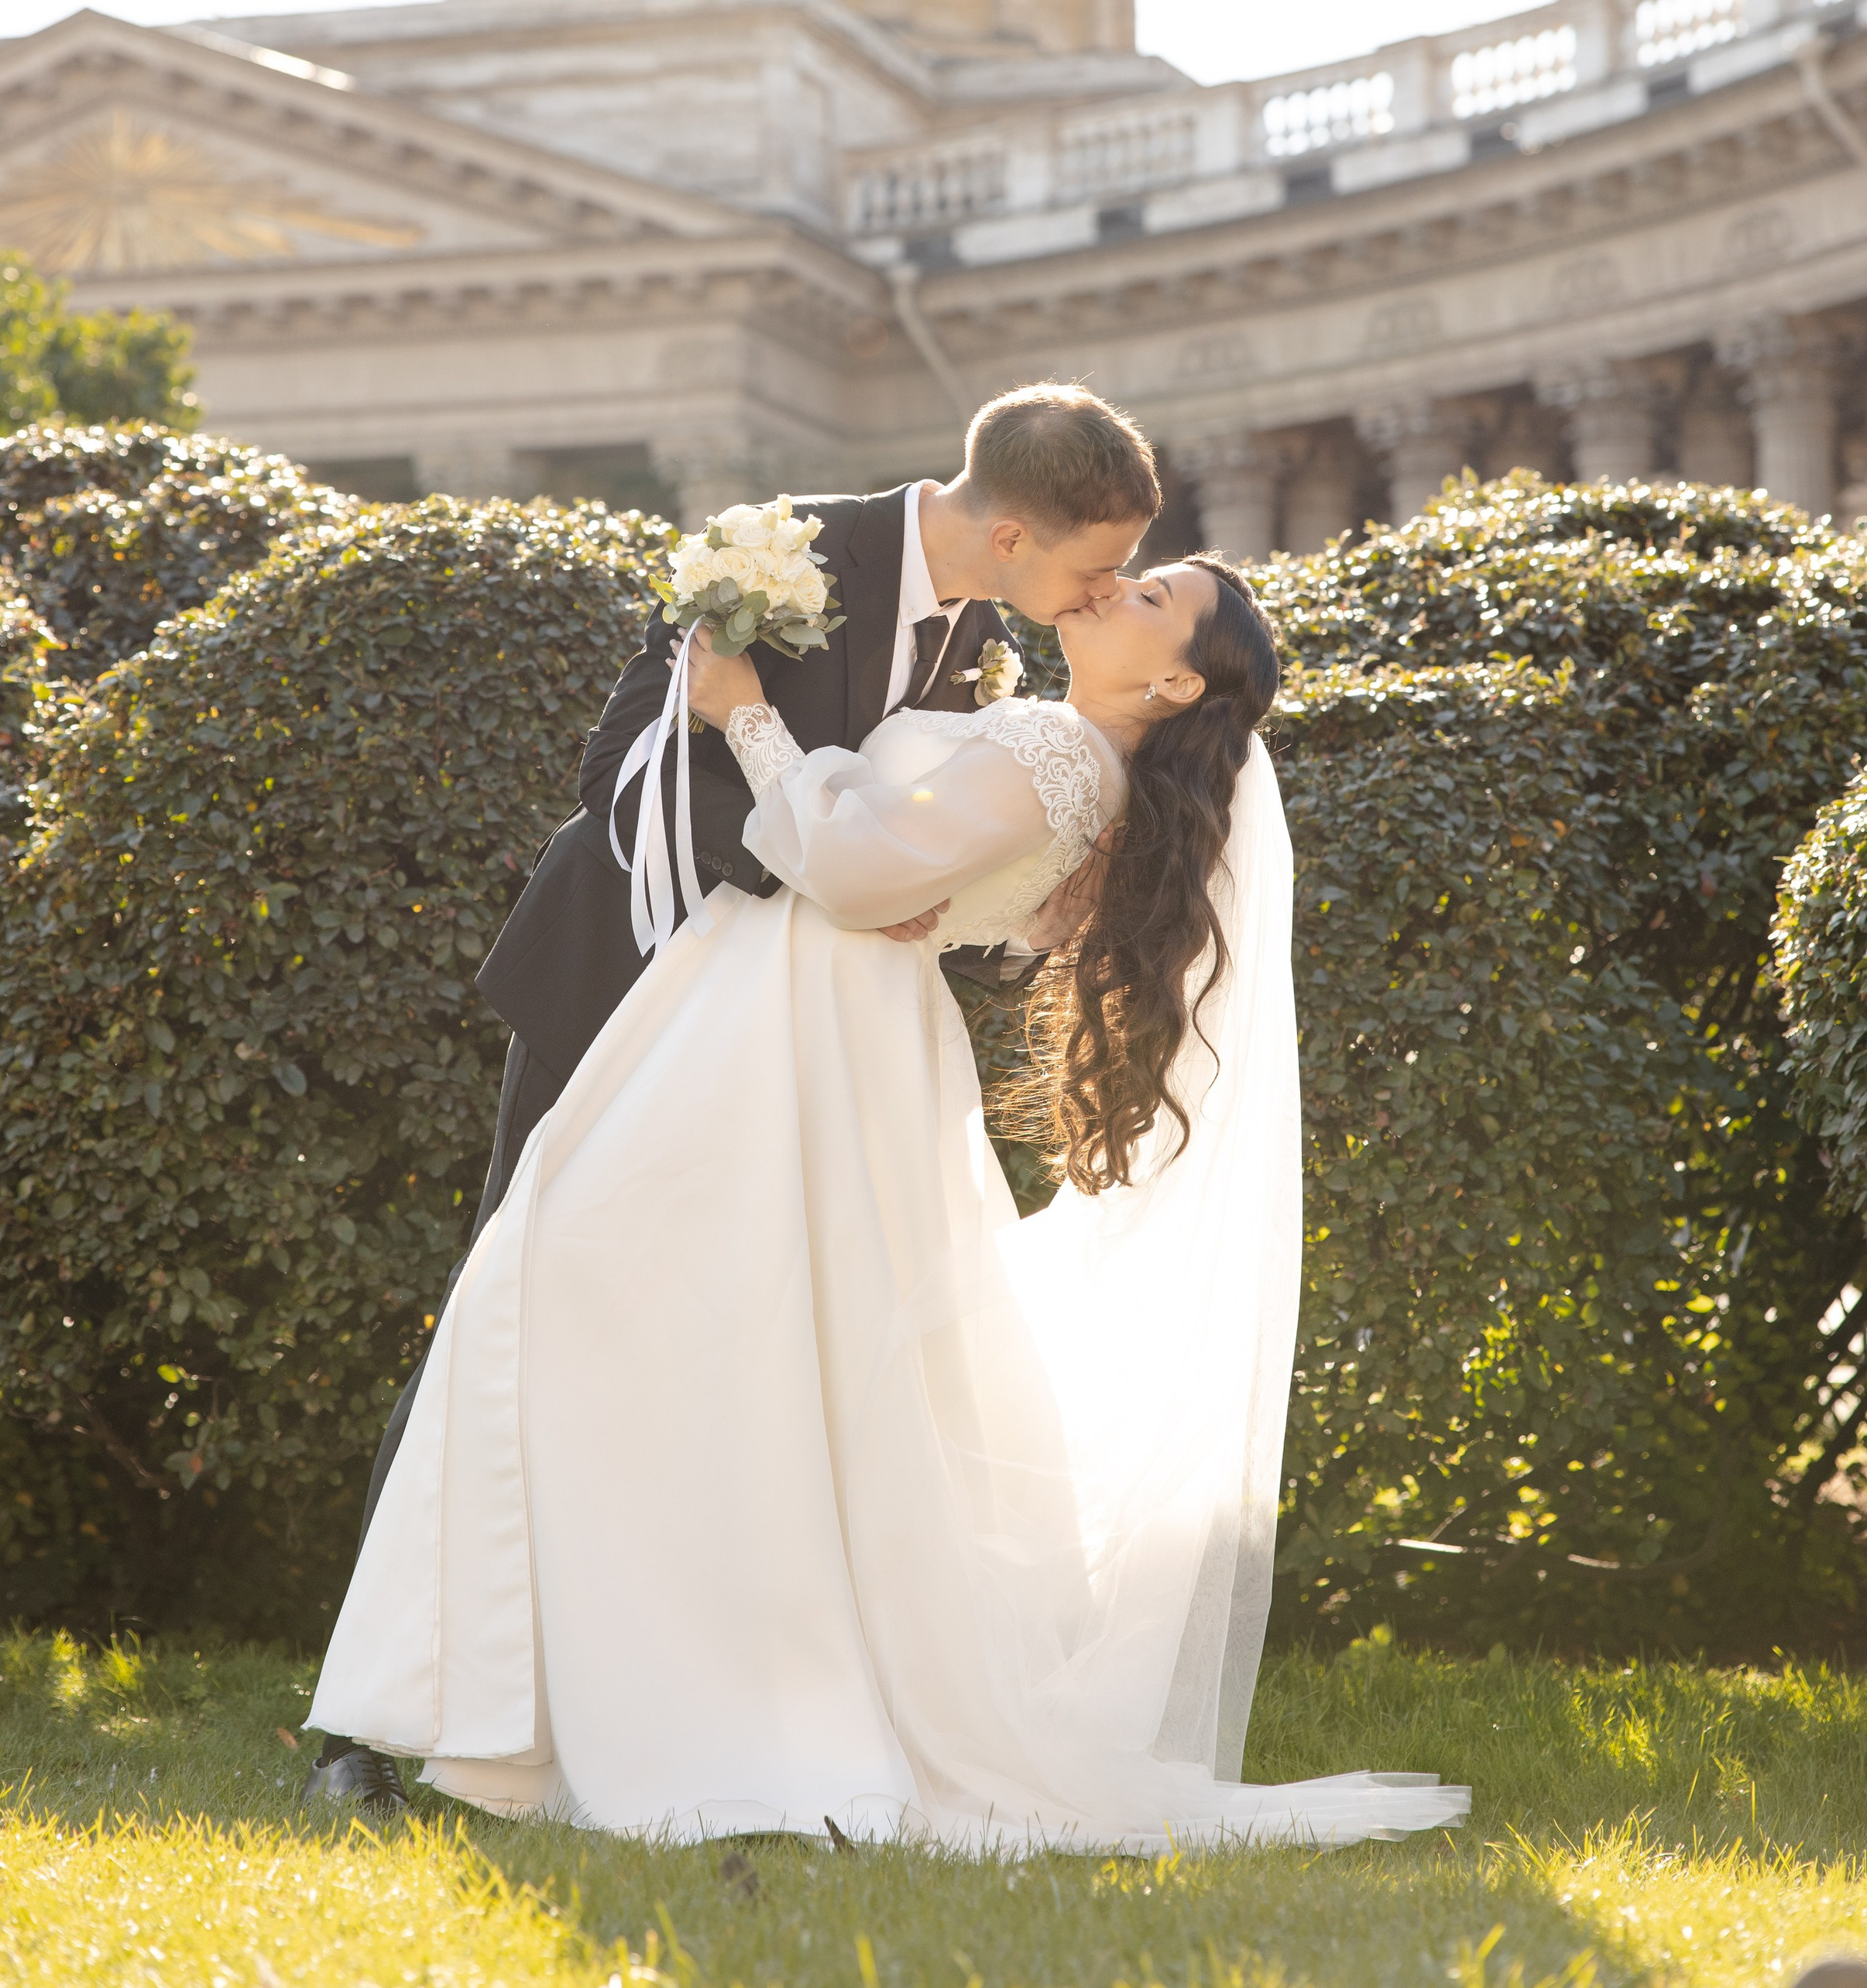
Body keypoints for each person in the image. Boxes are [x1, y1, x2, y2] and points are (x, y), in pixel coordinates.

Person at [306, 549, 1470, 1851]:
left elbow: (854, 875)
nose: (1119, 588)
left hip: (803, 1023)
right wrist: (915, 865)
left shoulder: (1066, 752)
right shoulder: (1066, 750)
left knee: (591, 1281)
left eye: (1153, 600)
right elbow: (957, 898)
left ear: (1179, 677)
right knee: (697, 1331)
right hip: (806, 1023)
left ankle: (630, 1701)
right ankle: (565, 1694)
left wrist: (745, 709)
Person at [304, 384, 1162, 1812]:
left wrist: (889, 880)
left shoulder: (984, 633)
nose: (1105, 591)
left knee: (709, 1348)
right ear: (1012, 530)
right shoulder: (788, 554)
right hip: (625, 975)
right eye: (1091, 565)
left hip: (775, 1045)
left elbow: (903, 821)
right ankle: (379, 1722)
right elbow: (622, 770)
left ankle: (625, 1685)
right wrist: (818, 862)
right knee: (514, 1299)